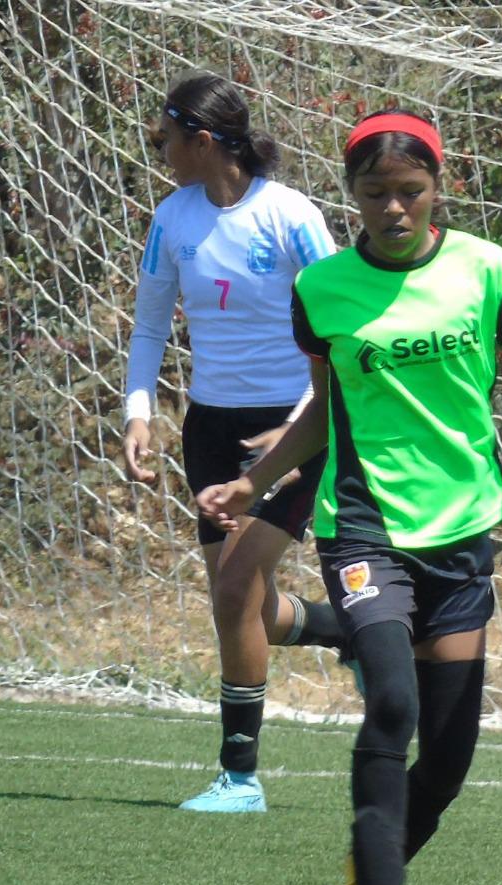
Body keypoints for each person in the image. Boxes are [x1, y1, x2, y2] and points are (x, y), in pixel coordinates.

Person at [198, 109, 502, 885]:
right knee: (392, 700)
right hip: (365, 521)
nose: (394, 208)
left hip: (463, 528)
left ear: (440, 188)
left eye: (410, 192)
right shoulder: (324, 290)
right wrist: (257, 481)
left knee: (452, 757)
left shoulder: (489, 271)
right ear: (351, 195)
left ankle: (362, 883)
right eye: (375, 193)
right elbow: (325, 408)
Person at [122, 72, 346, 814]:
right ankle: (338, 627)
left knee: (232, 590)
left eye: (166, 139)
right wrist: (138, 412)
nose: (161, 152)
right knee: (240, 601)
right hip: (209, 429)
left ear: (205, 141)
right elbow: (152, 323)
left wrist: (301, 421)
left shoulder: (291, 216)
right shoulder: (172, 219)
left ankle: (241, 775)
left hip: (291, 424)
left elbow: (342, 331)